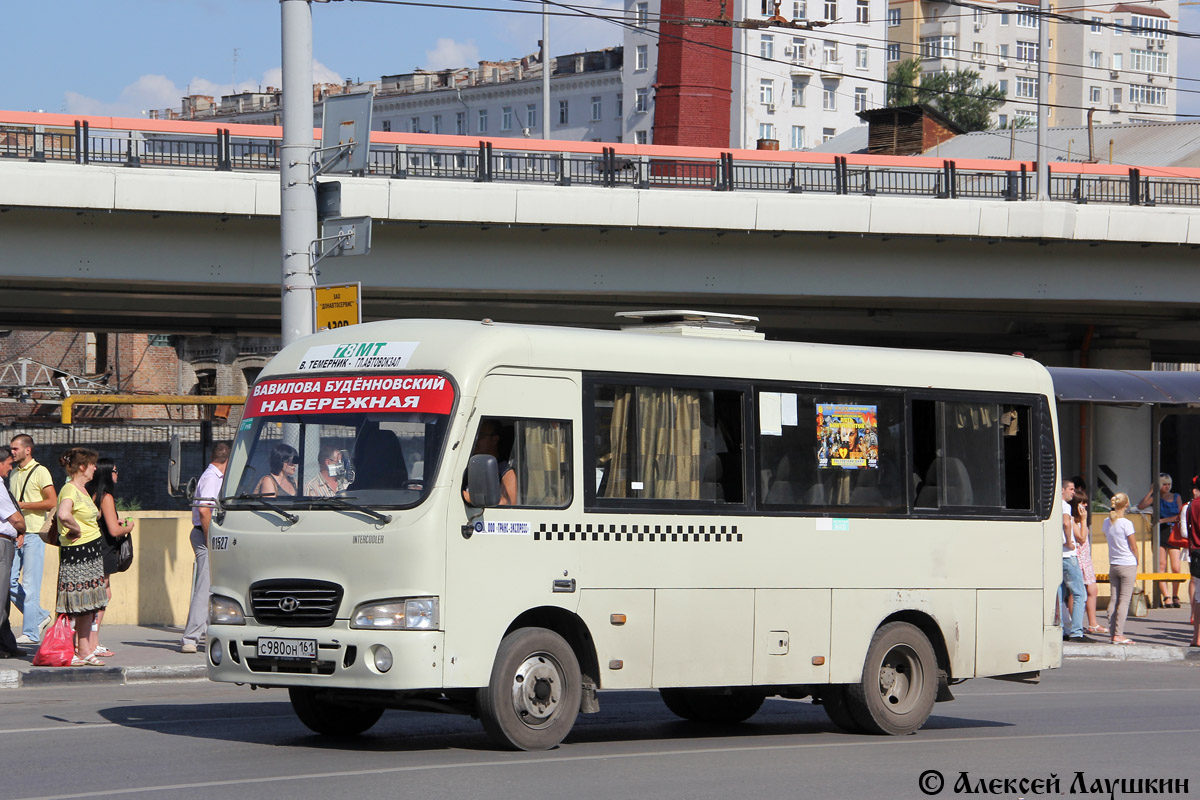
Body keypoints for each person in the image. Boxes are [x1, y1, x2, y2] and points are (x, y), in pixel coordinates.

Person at [54, 447, 108, 666]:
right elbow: (63, 514)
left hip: (92, 552)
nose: (95, 468)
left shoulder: (83, 489)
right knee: (74, 605)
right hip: (78, 554)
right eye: (92, 464)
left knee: (89, 605)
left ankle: (84, 649)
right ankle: (68, 650)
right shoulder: (69, 489)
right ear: (82, 467)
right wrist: (75, 528)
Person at [8, 433, 56, 645]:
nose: (12, 452)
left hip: (35, 534)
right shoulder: (14, 473)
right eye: (11, 449)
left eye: (15, 448)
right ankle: (39, 616)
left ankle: (31, 632)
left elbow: (52, 501)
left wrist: (23, 505)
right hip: (17, 534)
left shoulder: (40, 471)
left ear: (28, 449)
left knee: (30, 584)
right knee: (7, 582)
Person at [182, 442, 229, 654]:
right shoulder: (211, 478)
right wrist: (212, 538)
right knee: (204, 588)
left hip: (206, 534)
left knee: (214, 588)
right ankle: (190, 638)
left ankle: (210, 633)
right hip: (205, 536)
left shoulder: (211, 476)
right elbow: (204, 510)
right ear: (227, 461)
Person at [86, 458, 134, 658]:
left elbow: (104, 522)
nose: (117, 475)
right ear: (106, 473)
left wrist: (115, 521)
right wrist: (128, 527)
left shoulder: (90, 493)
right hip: (104, 550)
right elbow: (114, 530)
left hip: (93, 548)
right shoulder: (105, 496)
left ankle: (90, 641)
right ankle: (92, 642)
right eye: (114, 471)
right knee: (102, 596)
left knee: (99, 595)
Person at [1138, 472, 1184, 608]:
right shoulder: (1156, 497)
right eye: (1164, 484)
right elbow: (1141, 506)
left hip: (1173, 531)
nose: (1167, 487)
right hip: (1160, 532)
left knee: (1176, 567)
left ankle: (1175, 595)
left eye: (1169, 484)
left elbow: (1180, 515)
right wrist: (1152, 490)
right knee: (1161, 565)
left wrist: (1163, 520)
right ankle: (1167, 596)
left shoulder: (1176, 497)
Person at [0, 446, 27, 658]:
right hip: (2, 544)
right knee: (0, 596)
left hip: (6, 542)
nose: (11, 468)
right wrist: (22, 528)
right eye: (9, 463)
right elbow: (16, 518)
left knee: (4, 595)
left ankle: (6, 643)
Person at [1103, 492, 1138, 644]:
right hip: (1127, 563)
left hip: (1114, 564)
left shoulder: (1106, 522)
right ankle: (1119, 634)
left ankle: (1112, 634)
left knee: (1114, 599)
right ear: (1126, 505)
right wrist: (1137, 560)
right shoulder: (1126, 523)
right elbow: (1133, 545)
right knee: (1124, 601)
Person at [1072, 490, 1105, 636]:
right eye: (1082, 502)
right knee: (1077, 592)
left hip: (1086, 559)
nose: (1085, 505)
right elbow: (1081, 538)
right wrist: (1084, 521)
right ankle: (1075, 623)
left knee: (1092, 590)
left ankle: (1093, 623)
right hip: (1077, 559)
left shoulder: (1081, 520)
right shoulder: (1072, 520)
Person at [1059, 478, 1088, 642]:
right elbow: (1066, 522)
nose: (1073, 492)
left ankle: (1062, 628)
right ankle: (1077, 631)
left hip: (1057, 555)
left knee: (1060, 594)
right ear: (1062, 490)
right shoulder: (1065, 506)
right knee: (1079, 594)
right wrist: (1069, 541)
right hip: (1068, 556)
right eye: (1070, 489)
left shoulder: (1053, 506)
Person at [462, 419, 517, 506]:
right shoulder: (465, 465)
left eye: (480, 435)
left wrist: (465, 497)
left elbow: (507, 503)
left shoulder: (505, 469)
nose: (475, 440)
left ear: (495, 440)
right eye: (474, 435)